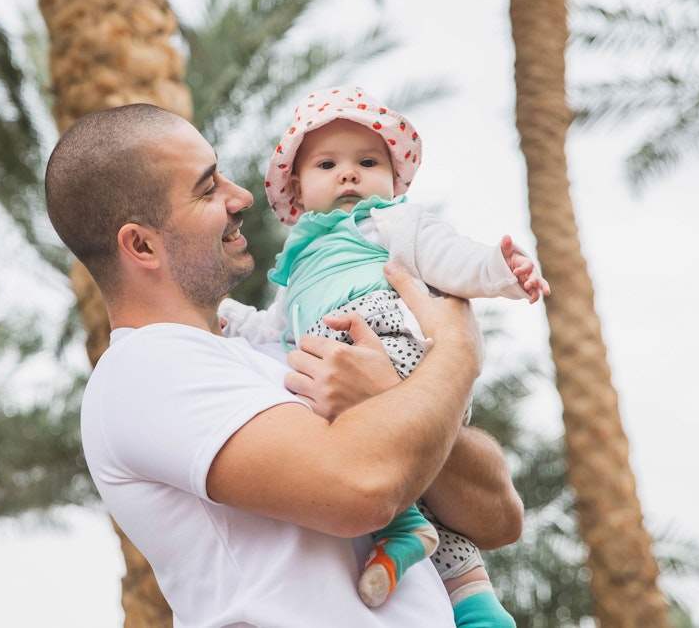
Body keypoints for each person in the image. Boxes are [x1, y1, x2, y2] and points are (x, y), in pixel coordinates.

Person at [44, 102, 523, 628]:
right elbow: (361, 490)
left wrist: (395, 399)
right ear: (141, 244)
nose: (243, 195)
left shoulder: (280, 349)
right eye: (208, 188)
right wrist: (457, 354)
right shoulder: (142, 369)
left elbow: (498, 517)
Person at [218, 86, 548, 622]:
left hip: (391, 347)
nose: (349, 175)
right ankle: (478, 607)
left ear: (393, 182)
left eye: (367, 162)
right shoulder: (297, 268)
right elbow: (270, 331)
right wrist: (228, 319)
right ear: (297, 189)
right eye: (328, 163)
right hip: (375, 381)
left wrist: (501, 271)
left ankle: (400, 528)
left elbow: (448, 256)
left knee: (329, 411)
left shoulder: (387, 224)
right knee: (406, 476)